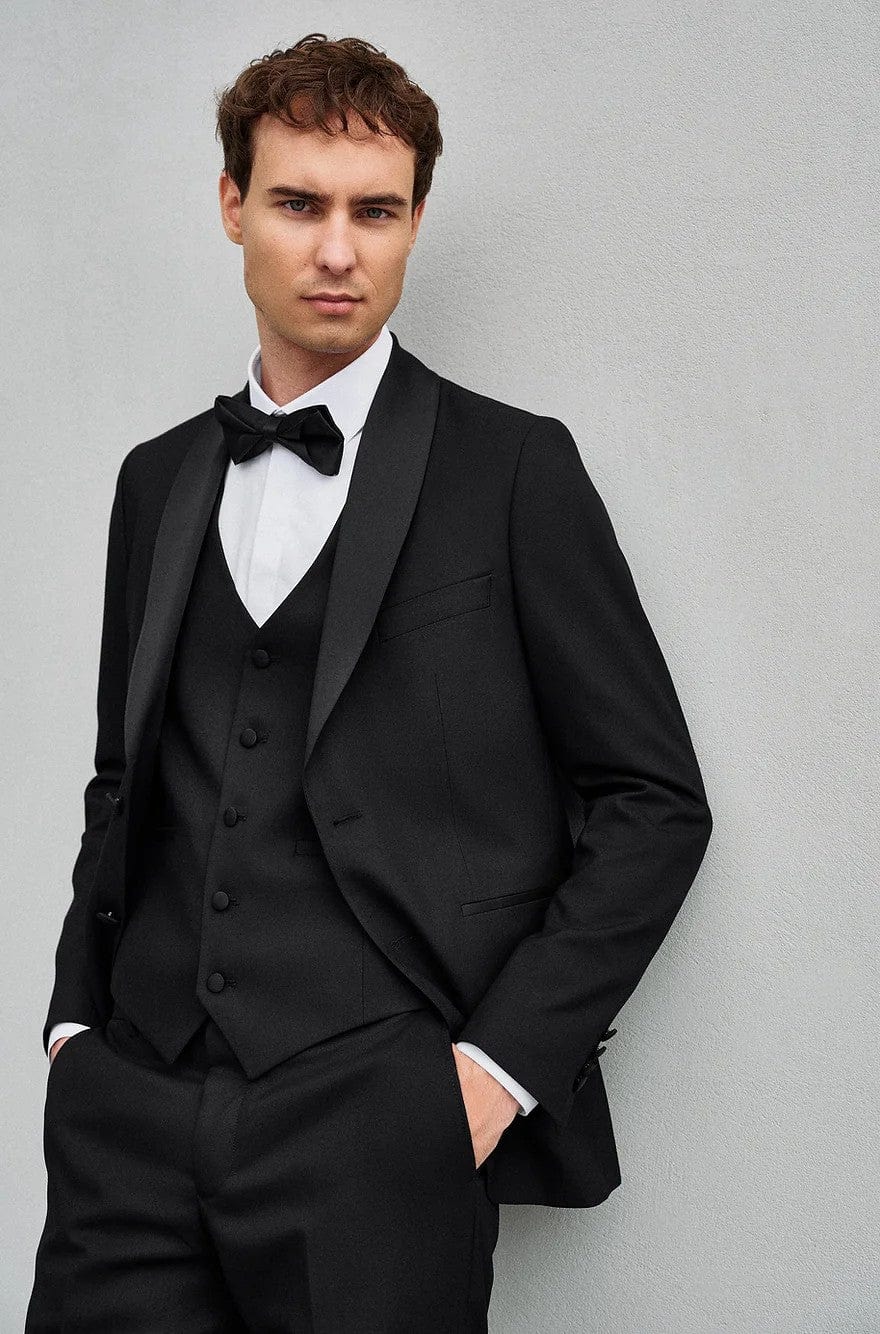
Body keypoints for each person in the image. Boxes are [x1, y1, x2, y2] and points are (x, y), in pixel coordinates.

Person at [26, 31, 713, 1333]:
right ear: (232, 206)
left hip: (379, 1129)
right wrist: (74, 1033)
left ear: (412, 222)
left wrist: (492, 1073)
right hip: (132, 1120)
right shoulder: (155, 482)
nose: (339, 250)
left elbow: (656, 803)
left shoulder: (514, 471)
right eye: (299, 204)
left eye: (375, 211)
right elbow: (124, 781)